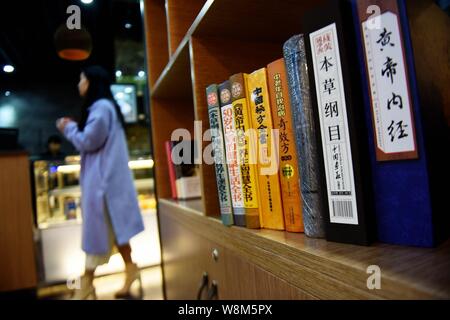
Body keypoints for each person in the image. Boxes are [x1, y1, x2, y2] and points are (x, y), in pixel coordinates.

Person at [57, 66, 145, 300]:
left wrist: (69, 128)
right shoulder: (107, 108)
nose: (79, 84)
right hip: (109, 184)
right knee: (117, 232)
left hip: (103, 185)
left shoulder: (101, 108)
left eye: (81, 79)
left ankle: (86, 284)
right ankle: (131, 270)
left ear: (91, 83)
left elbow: (88, 141)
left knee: (97, 235)